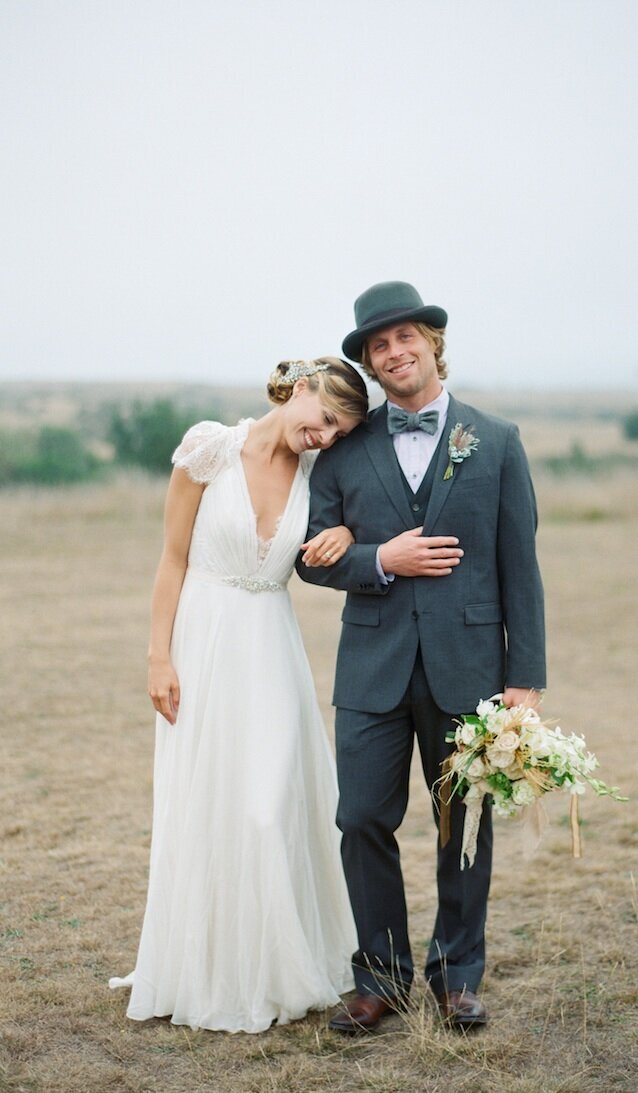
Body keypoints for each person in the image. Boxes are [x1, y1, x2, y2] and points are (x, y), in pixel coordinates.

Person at [297, 282, 546, 1032]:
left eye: (406, 337)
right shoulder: (346, 449)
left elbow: (519, 566)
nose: (395, 352)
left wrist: (525, 677)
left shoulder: (495, 440)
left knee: (461, 823)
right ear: (369, 364)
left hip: (467, 666)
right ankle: (378, 977)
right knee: (361, 817)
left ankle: (457, 976)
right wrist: (380, 557)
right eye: (379, 345)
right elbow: (312, 557)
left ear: (432, 343)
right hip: (371, 670)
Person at [110, 357, 369, 1032]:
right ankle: (210, 967)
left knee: (269, 804)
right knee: (205, 799)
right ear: (301, 390)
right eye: (326, 420)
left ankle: (279, 959)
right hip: (201, 641)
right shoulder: (207, 449)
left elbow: (338, 539)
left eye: (340, 432)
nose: (327, 436)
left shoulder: (322, 476)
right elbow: (171, 557)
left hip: (270, 647)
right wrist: (157, 654)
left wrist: (343, 532)